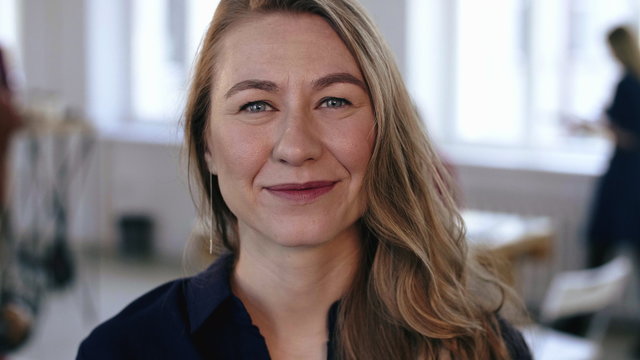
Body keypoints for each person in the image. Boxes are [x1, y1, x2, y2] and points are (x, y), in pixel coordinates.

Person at [78, 0, 531, 359]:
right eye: (256, 105)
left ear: (385, 132)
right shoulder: (121, 350)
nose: (296, 147)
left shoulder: (484, 349)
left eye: (334, 101)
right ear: (208, 146)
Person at [586, 25, 640, 268]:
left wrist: (597, 129)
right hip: (632, 175)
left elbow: (627, 137)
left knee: (599, 244)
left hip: (625, 176)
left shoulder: (627, 84)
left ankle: (584, 305)